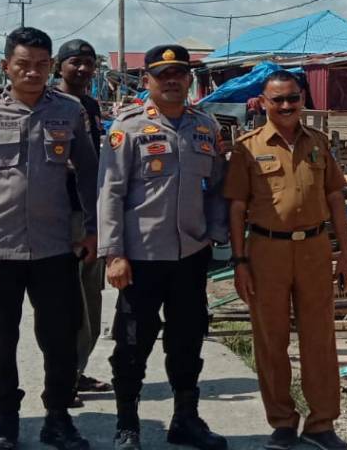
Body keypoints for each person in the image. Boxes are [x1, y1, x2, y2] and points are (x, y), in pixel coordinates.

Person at [0, 27, 99, 450]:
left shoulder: (70, 112)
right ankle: (6, 423)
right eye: (23, 64)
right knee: (1, 338)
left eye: (40, 65)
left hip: (55, 247)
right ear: (6, 67)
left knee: (60, 337)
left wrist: (92, 229)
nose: (32, 72)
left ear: (51, 66)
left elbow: (90, 173)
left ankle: (57, 418)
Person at [98, 45, 228, 450]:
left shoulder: (206, 128)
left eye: (179, 73)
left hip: (190, 254)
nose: (172, 80)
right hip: (141, 257)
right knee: (133, 343)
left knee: (187, 340)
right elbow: (110, 193)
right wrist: (114, 253)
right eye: (162, 74)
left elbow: (217, 188)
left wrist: (215, 232)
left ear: (189, 78)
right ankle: (127, 425)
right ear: (147, 81)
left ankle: (185, 419)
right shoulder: (128, 128)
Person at [224, 69, 347, 450]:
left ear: (302, 100)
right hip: (266, 252)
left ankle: (321, 423)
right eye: (276, 99)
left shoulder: (319, 143)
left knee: (319, 340)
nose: (285, 106)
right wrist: (239, 261)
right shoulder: (247, 148)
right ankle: (281, 423)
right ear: (262, 102)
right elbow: (236, 208)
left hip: (313, 250)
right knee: (270, 340)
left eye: (292, 98)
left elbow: (335, 198)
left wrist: (344, 252)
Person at [52, 39, 110, 403]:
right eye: (75, 62)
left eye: (89, 63)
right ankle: (62, 376)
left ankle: (77, 368)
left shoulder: (90, 104)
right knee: (67, 300)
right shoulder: (49, 103)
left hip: (91, 211)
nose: (83, 70)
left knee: (92, 297)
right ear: (60, 66)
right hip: (60, 213)